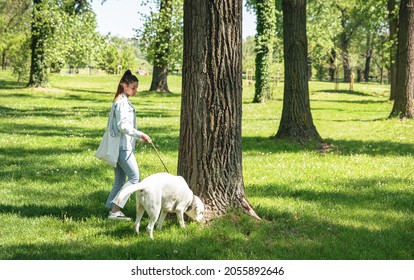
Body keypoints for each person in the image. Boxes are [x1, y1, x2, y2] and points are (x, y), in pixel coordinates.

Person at [105, 69, 152, 220]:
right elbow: (122, 126)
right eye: (133, 88)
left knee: (119, 180)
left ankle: (110, 209)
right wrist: (140, 134)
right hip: (122, 146)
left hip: (120, 145)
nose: (136, 91)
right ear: (124, 86)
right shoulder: (122, 103)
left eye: (136, 88)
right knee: (134, 178)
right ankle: (115, 210)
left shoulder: (121, 100)